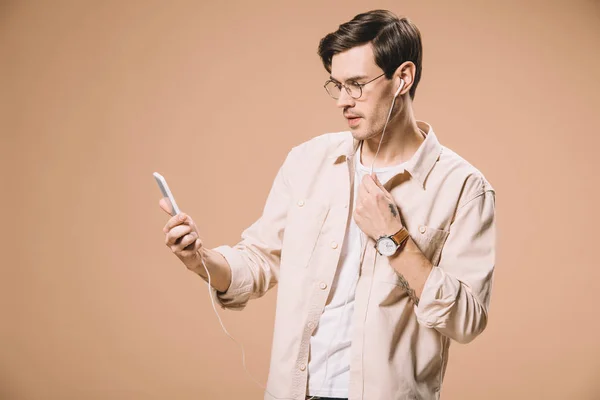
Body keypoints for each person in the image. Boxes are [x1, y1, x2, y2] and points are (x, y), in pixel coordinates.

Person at [159, 9, 496, 400]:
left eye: (355, 85)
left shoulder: (463, 187)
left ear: (403, 77)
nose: (341, 101)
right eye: (336, 85)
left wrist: (394, 239)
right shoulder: (308, 161)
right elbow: (258, 261)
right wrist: (198, 257)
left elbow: (467, 319)